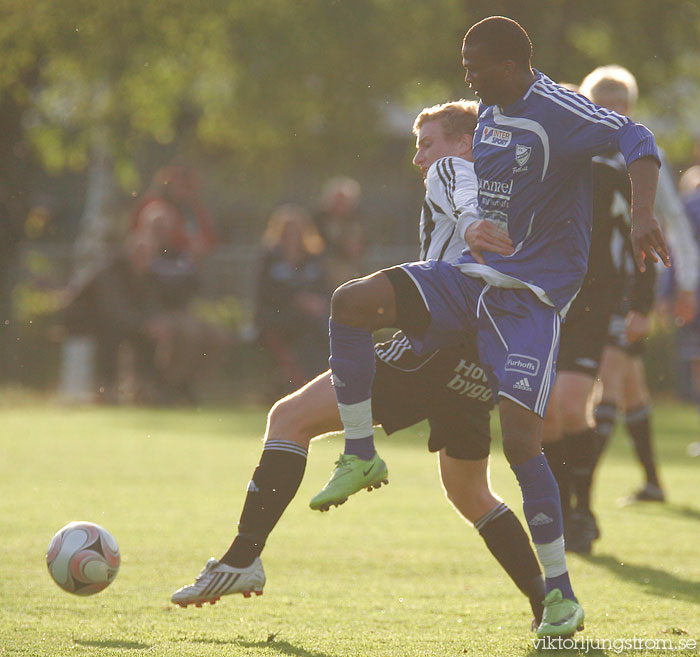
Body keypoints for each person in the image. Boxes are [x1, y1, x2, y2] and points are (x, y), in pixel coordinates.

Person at [315, 16, 669, 638]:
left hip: (527, 299)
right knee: (350, 301)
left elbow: (638, 139)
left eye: (476, 65)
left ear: (510, 64)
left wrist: (642, 217)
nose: (468, 75)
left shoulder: (559, 110)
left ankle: (559, 596)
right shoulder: (488, 113)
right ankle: (362, 452)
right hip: (469, 280)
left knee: (522, 445)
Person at [171, 100, 547, 628]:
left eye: (427, 142)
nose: (420, 157)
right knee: (469, 491)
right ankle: (547, 603)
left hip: (433, 348)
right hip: (480, 360)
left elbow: (459, 197)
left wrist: (468, 225)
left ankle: (241, 558)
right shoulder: (509, 186)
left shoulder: (455, 168)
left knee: (288, 418)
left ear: (463, 142)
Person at [540, 80, 657, 555]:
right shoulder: (528, 172)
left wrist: (642, 305)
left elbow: (641, 236)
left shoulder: (609, 174)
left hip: (591, 302)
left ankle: (581, 510)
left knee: (572, 404)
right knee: (546, 413)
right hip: (541, 302)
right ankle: (563, 507)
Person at [580, 67, 700, 505]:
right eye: (600, 107)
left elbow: (674, 224)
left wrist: (686, 283)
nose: (609, 116)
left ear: (629, 110)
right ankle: (652, 483)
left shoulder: (647, 155)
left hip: (631, 286)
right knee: (632, 384)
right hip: (593, 285)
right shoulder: (579, 153)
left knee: (610, 382)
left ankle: (578, 499)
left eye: (618, 108)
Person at [254, 204, 331, 398]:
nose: (291, 235)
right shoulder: (270, 258)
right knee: (308, 325)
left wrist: (315, 302)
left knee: (321, 327)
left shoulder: (313, 259)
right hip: (278, 316)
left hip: (309, 318)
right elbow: (264, 293)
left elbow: (324, 289)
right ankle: (305, 385)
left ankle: (320, 381)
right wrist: (297, 300)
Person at [312, 176, 367, 290]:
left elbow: (359, 247)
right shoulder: (318, 220)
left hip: (349, 267)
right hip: (321, 266)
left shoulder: (356, 221)